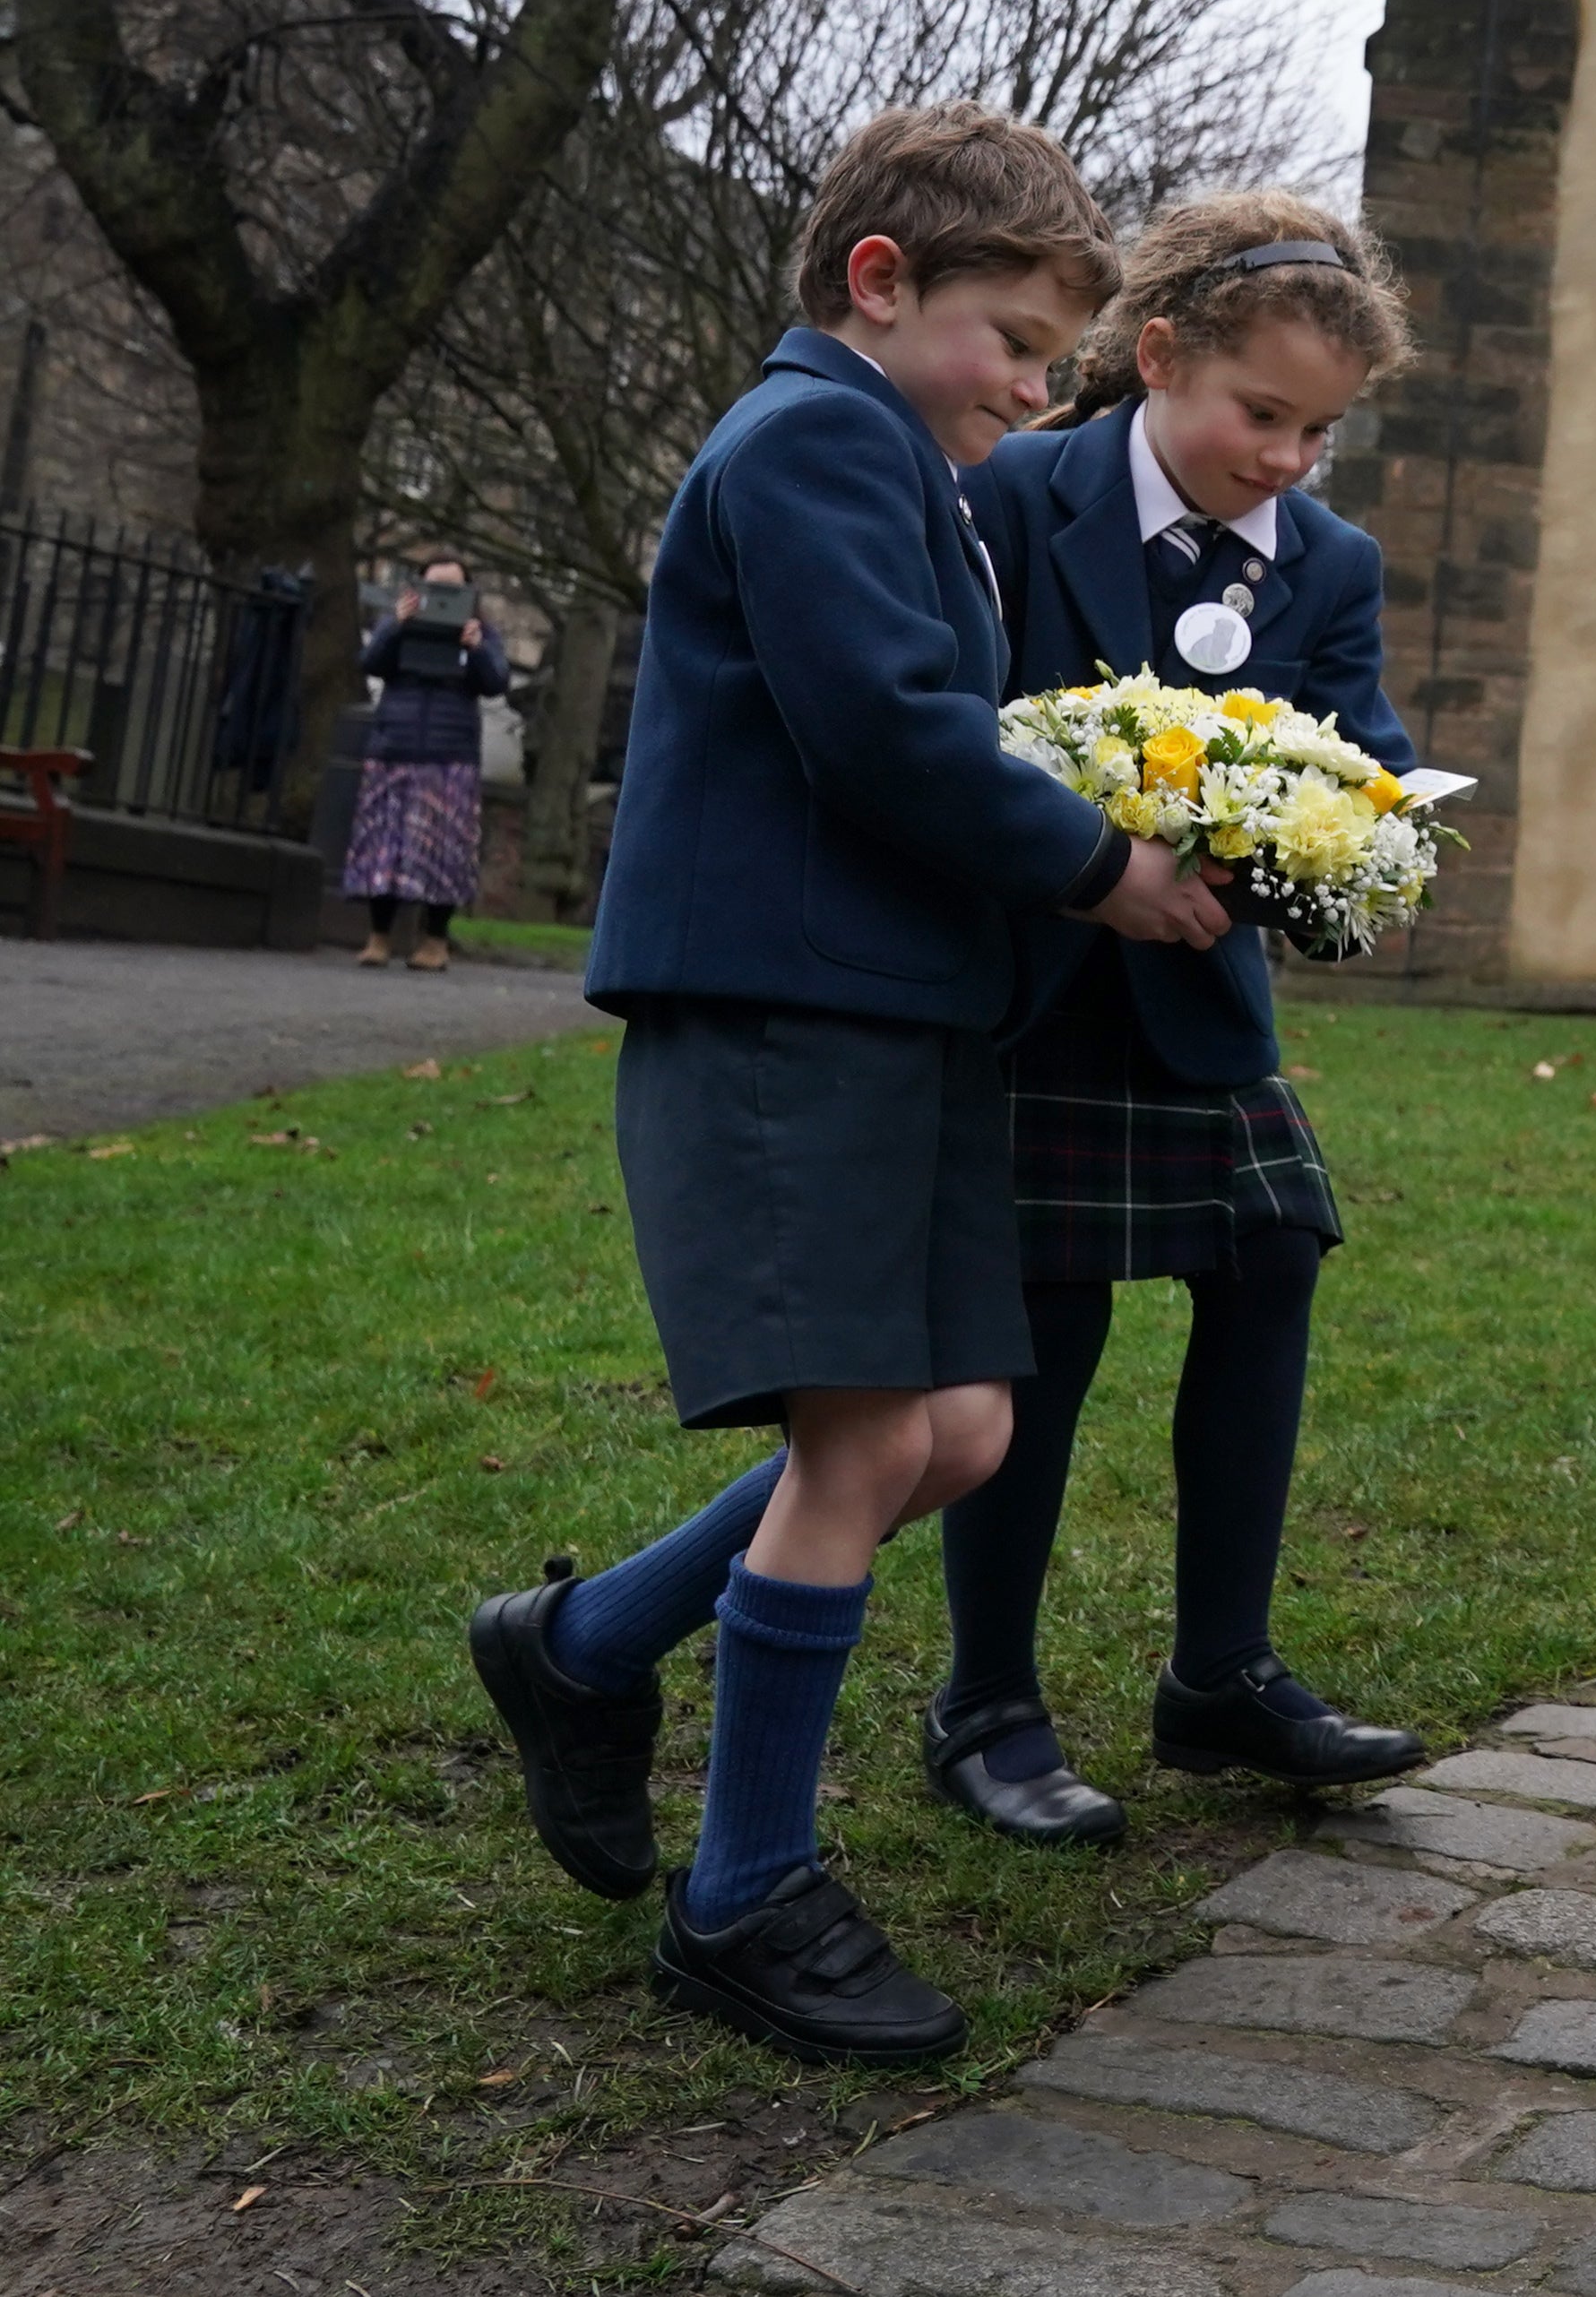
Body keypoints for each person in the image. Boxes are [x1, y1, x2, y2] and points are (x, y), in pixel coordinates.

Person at [461, 105, 1227, 2065]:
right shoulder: (809, 436)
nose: (1036, 390)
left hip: (895, 1020)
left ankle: (588, 1645)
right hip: (781, 1006)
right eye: (1014, 342)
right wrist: (1096, 862)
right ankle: (745, 1896)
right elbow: (886, 732)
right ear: (879, 284)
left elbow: (932, 717)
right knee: (858, 1440)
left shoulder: (907, 459)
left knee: (955, 1430)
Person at [931, 194, 1429, 1841]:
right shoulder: (1020, 493)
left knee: (1274, 1253)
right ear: (1158, 359)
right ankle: (986, 1703)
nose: (1287, 458)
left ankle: (1220, 1673)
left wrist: (1342, 844)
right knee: (1049, 1330)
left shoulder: (1328, 564)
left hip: (1203, 997)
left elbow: (1358, 752)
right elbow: (959, 717)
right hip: (1035, 986)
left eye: (1321, 432)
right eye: (1260, 414)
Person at [344, 556, 505, 969]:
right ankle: (379, 937)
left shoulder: (482, 633)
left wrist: (477, 648)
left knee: (444, 854)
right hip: (395, 747)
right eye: (434, 585)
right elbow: (370, 663)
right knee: (384, 847)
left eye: (453, 588)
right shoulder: (396, 622)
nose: (442, 597)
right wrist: (395, 626)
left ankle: (435, 942)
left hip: (450, 755)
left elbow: (495, 683)